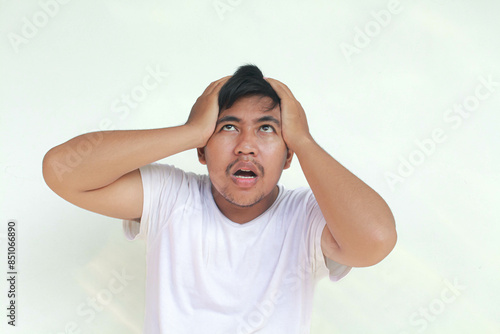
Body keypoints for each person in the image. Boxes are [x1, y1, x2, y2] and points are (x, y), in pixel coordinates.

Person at [42, 64, 397, 334]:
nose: (245, 145)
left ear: (288, 157)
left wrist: (303, 140)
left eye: (266, 128)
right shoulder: (170, 195)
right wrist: (190, 131)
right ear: (202, 150)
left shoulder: (308, 217)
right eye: (228, 127)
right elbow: (62, 171)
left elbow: (376, 239)